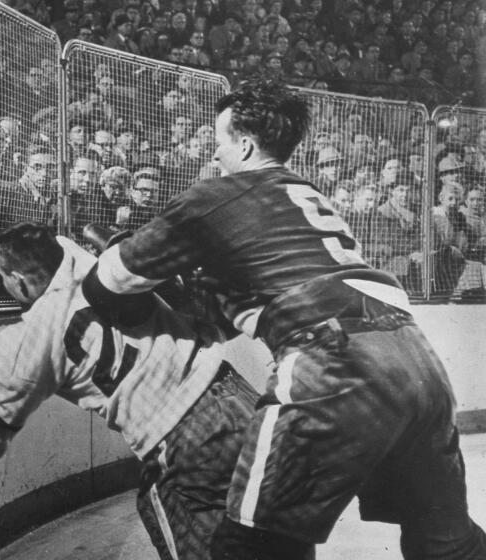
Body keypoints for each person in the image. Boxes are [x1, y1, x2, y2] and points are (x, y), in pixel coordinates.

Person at [81, 80, 486, 559]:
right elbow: (246, 307)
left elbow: (105, 284)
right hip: (418, 362)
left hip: (334, 364)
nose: (215, 158)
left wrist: (120, 250)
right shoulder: (307, 195)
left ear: (246, 144)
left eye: (219, 145)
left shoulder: (216, 196)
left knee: (251, 545)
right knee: (447, 541)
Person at [0, 222, 260, 560]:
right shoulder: (95, 261)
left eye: (4, 276)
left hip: (182, 439)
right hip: (239, 398)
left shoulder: (28, 340)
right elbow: (49, 245)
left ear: (15, 280)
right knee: (270, 541)